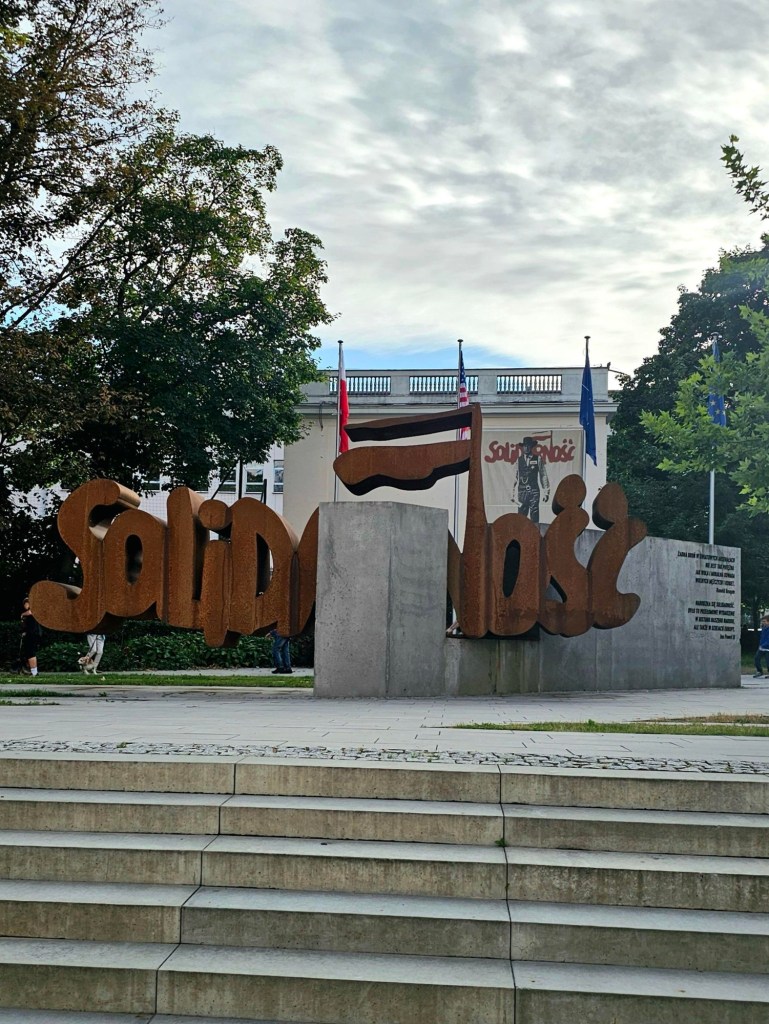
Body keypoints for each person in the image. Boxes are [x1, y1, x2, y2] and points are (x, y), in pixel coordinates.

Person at [511, 436, 550, 523]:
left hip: (534, 491)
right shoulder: (519, 460)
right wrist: (512, 493)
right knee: (521, 517)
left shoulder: (538, 459)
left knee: (534, 515)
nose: (526, 448)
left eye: (528, 446)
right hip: (522, 492)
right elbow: (514, 477)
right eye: (525, 446)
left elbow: (543, 475)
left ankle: (535, 531)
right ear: (523, 447)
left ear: (531, 447)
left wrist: (546, 492)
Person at [20, 597, 41, 676]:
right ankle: (32, 671)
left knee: (31, 652)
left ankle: (34, 672)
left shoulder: (33, 610)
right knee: (29, 652)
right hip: (31, 633)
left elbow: (30, 612)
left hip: (32, 633)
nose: (25, 605)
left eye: (26, 603)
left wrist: (22, 614)